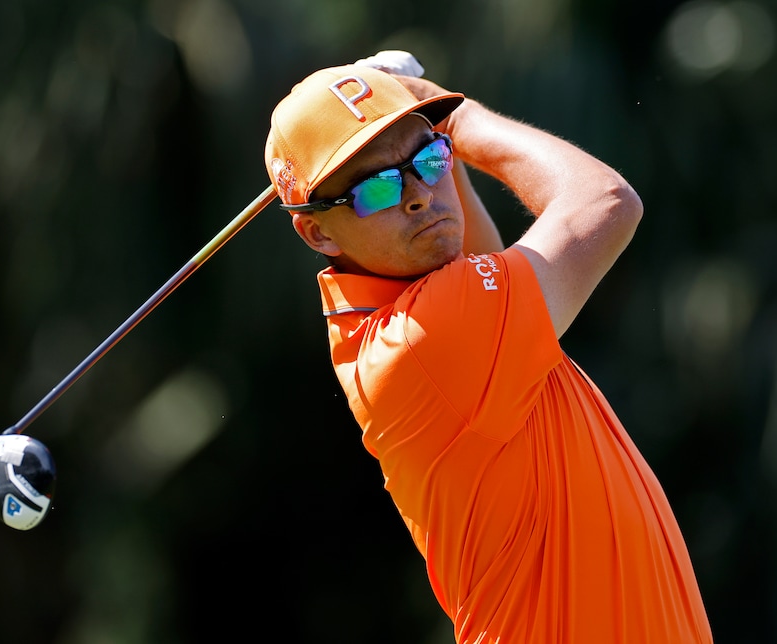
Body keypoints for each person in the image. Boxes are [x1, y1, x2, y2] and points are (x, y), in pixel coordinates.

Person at [264, 57, 713, 643]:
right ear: (317, 232)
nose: (421, 195)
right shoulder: (426, 341)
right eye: (376, 186)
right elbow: (606, 202)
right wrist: (458, 115)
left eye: (428, 161)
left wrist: (432, 125)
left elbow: (473, 251)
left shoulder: (408, 314)